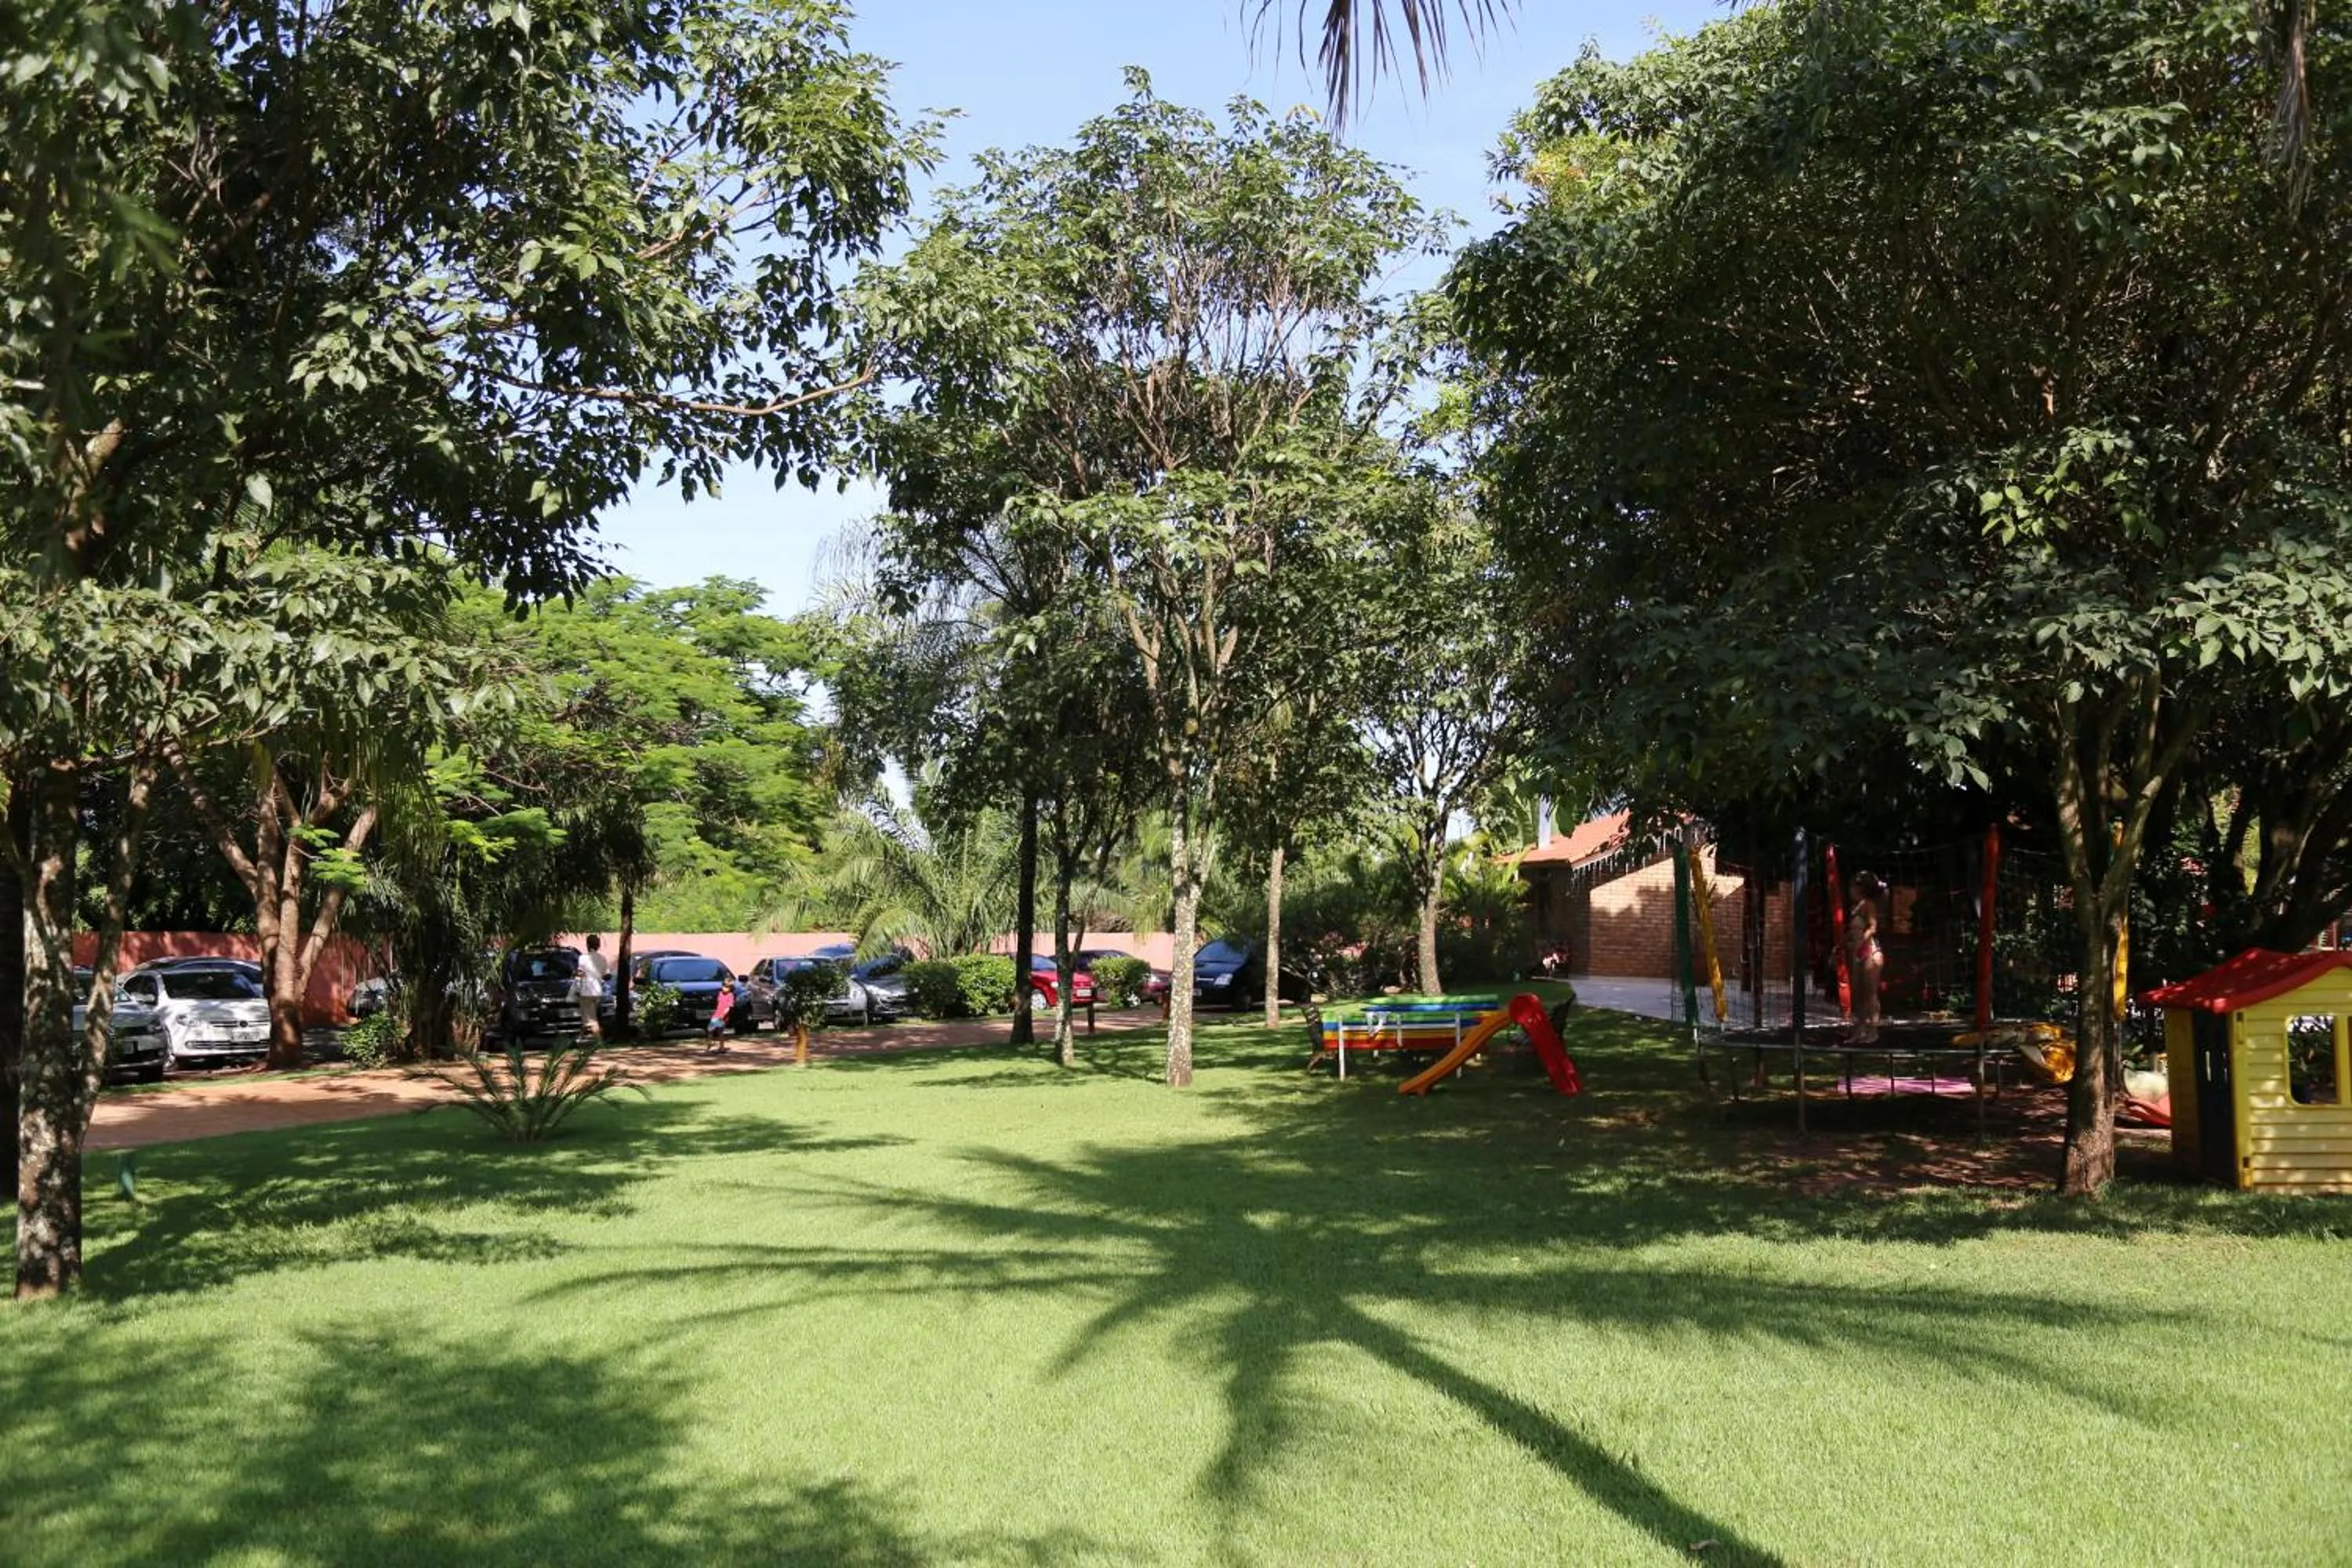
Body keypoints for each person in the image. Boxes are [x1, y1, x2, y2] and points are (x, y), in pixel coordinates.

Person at [1847, 873, 1885, 1044]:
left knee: (1870, 994)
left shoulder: (1868, 905)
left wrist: (1861, 943)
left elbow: (1873, 927)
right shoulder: (1855, 907)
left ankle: (1873, 1031)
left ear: (1860, 889)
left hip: (1870, 951)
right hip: (1857, 953)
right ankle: (1859, 1030)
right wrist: (1841, 944)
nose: (1850, 890)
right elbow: (1852, 931)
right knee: (1858, 995)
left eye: (1853, 887)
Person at [575, 933, 612, 1041]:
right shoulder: (602, 958)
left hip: (586, 991)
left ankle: (599, 1042)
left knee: (591, 1018)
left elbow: (580, 974)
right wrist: (599, 979)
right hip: (598, 991)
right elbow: (608, 975)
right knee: (589, 1016)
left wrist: (577, 988)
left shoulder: (583, 958)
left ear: (587, 945)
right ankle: (579, 1038)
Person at [705, 977, 735, 1053]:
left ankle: (721, 1047)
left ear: (731, 988)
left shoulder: (730, 995)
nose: (725, 988)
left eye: (728, 987)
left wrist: (724, 1015)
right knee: (710, 1030)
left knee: (720, 1031)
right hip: (716, 1015)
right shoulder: (720, 994)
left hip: (723, 1017)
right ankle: (710, 1044)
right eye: (724, 986)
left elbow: (729, 1007)